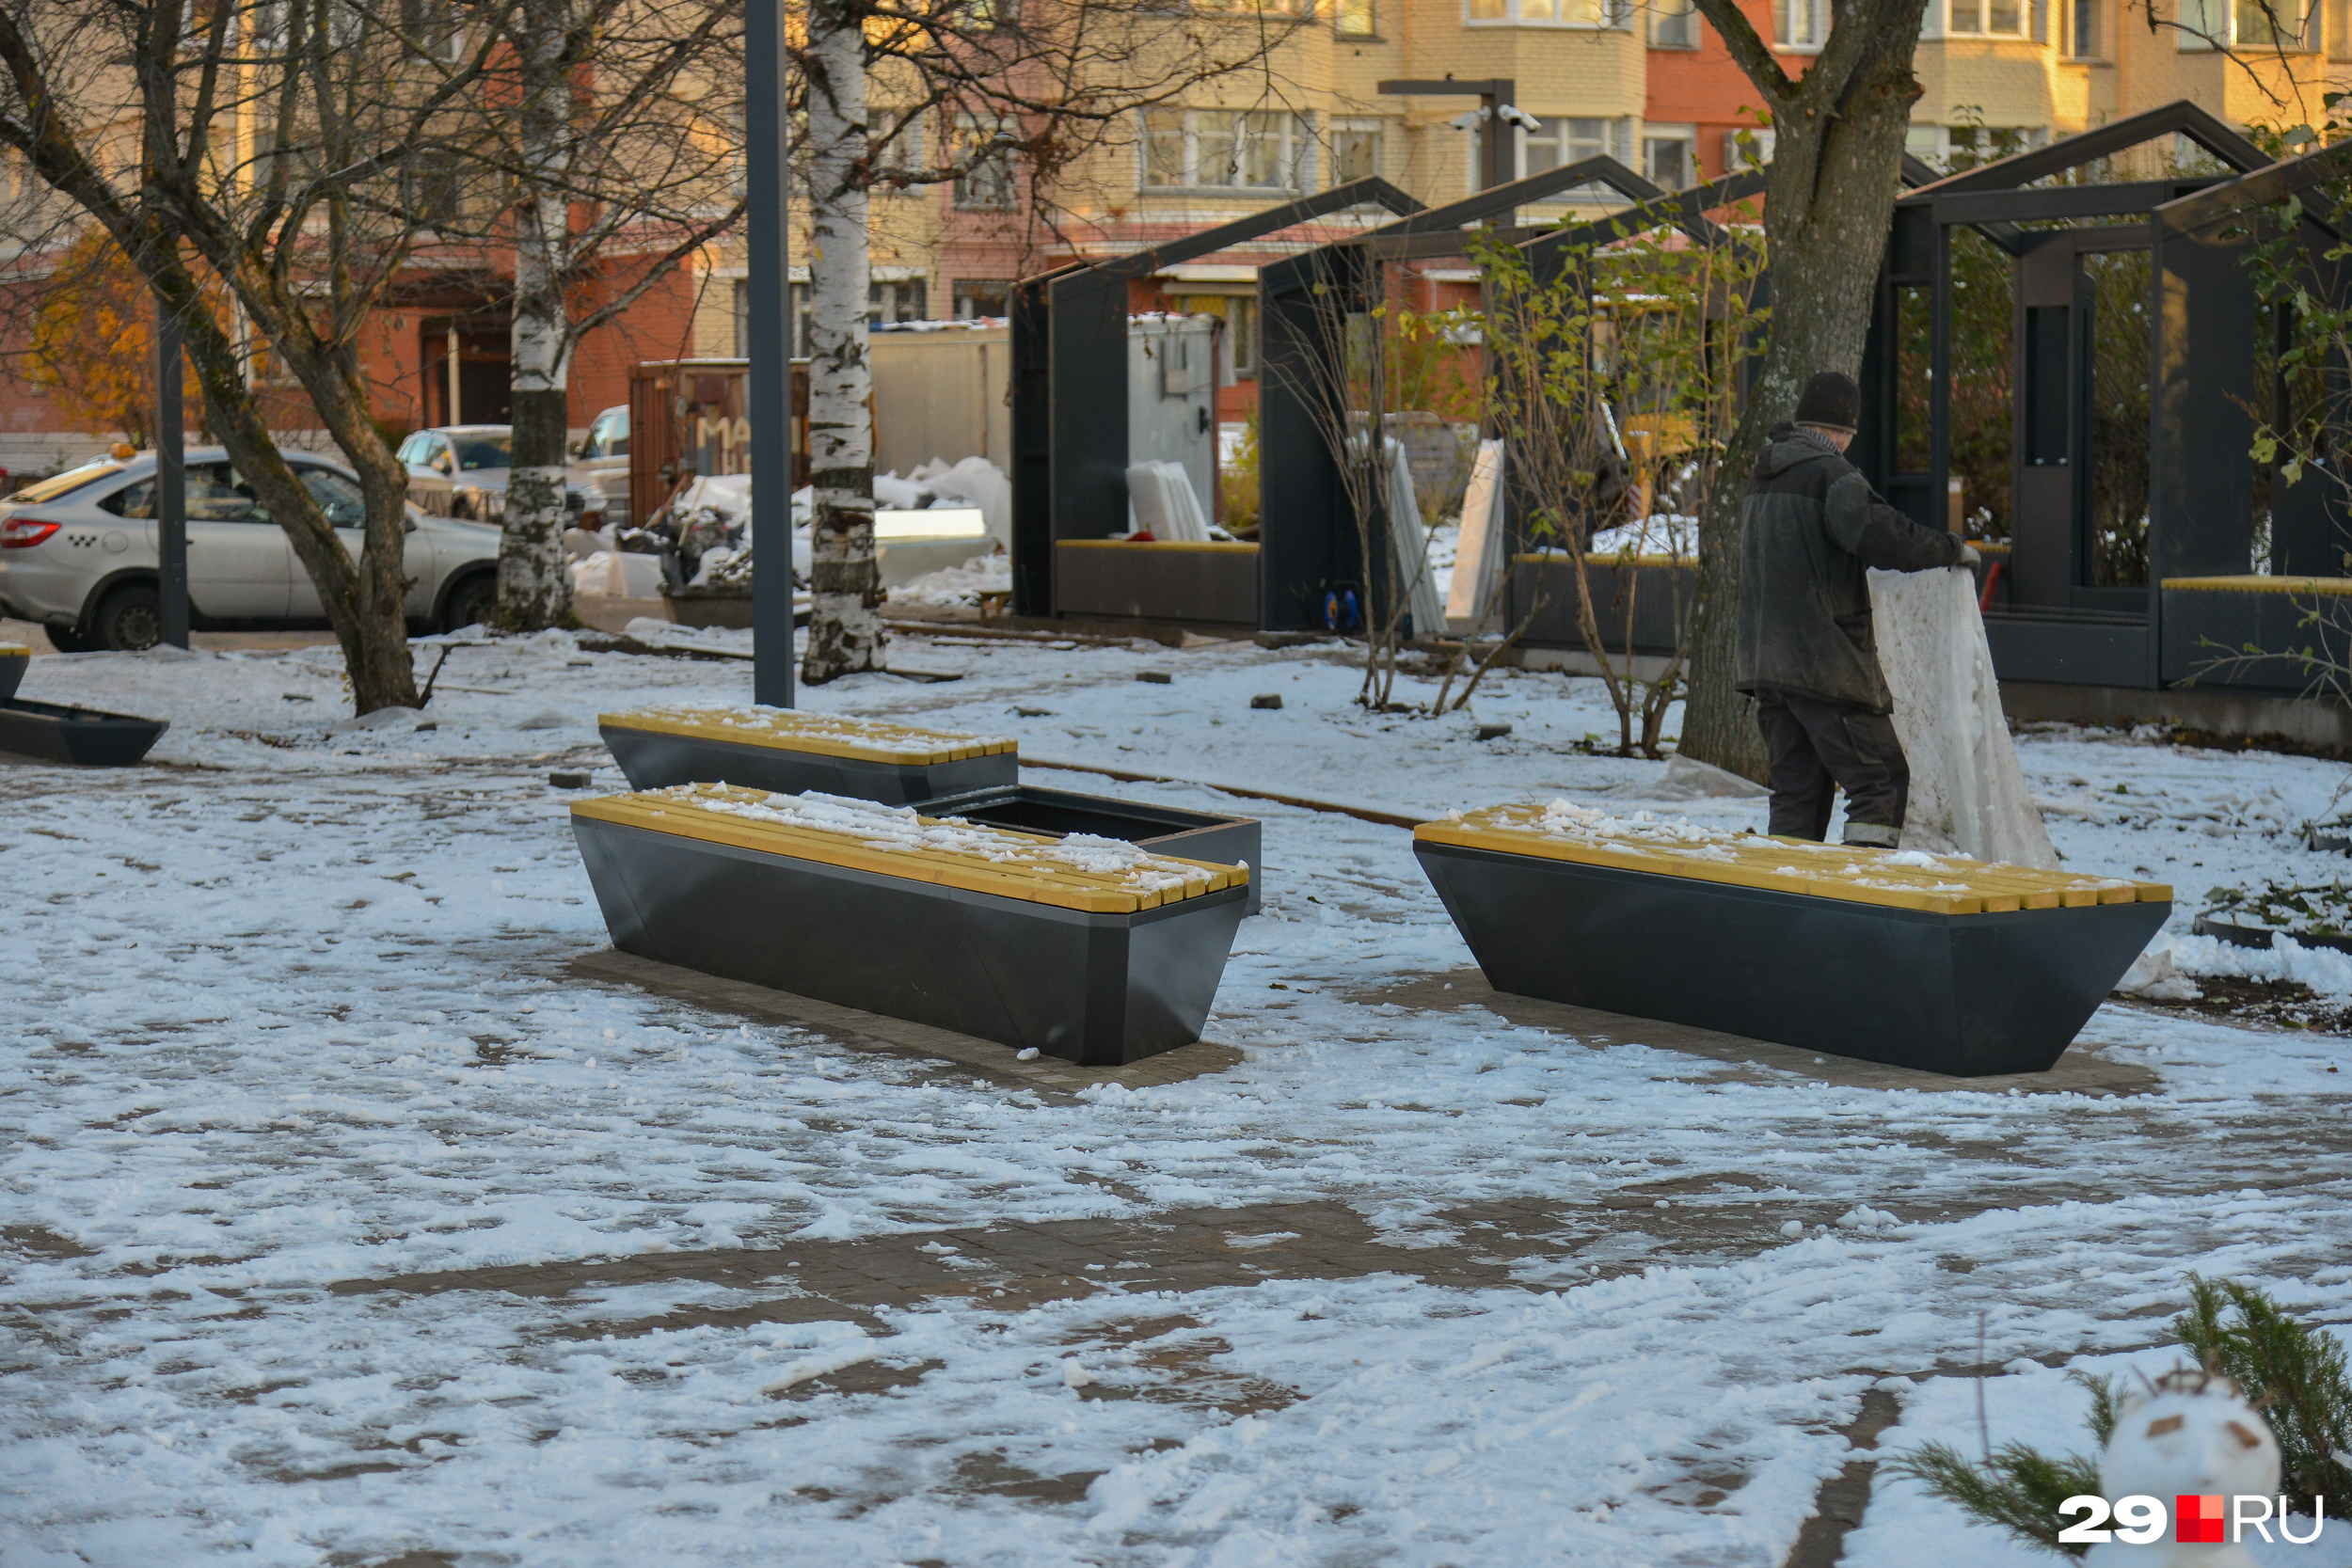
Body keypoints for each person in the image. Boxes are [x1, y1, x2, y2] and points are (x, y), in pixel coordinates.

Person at [1734, 371, 1980, 847]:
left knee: (1797, 795)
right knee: (1881, 782)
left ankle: (1788, 902)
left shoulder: (1764, 477)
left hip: (1767, 664)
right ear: (1844, 431)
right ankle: (1861, 895)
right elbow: (1885, 538)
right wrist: (1951, 549)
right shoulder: (1831, 474)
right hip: (1824, 665)